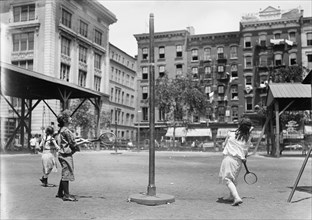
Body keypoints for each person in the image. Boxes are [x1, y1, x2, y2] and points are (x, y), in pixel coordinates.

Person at [219, 118, 253, 206]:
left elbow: (224, 144)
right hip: (239, 161)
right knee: (233, 179)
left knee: (227, 179)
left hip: (229, 159)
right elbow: (245, 153)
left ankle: (236, 197)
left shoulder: (231, 134)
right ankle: (231, 196)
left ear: (240, 126)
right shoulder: (248, 138)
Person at [55, 110, 87, 202]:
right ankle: (66, 195)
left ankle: (60, 193)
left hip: (62, 154)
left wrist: (81, 140)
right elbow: (73, 144)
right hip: (65, 155)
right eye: (69, 117)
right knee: (66, 173)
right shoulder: (67, 131)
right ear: (65, 120)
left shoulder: (62, 130)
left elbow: (71, 141)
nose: (71, 118)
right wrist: (83, 142)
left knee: (65, 173)